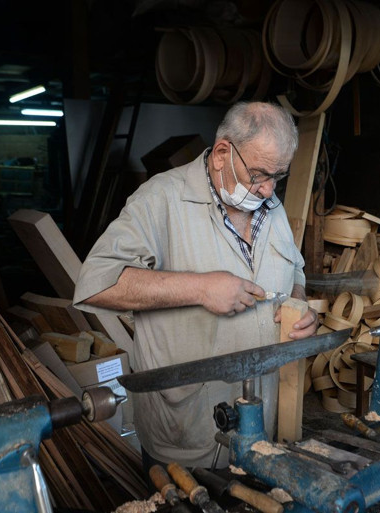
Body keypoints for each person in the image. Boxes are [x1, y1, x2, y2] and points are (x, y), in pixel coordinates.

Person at [73, 101, 319, 470]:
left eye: (278, 176)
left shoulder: (272, 208)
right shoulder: (161, 200)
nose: (268, 189)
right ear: (222, 153)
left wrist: (300, 307)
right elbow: (95, 284)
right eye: (259, 174)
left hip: (260, 431)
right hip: (187, 434)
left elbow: (295, 271)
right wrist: (201, 289)